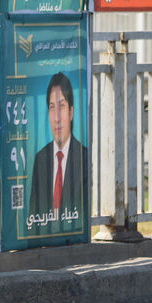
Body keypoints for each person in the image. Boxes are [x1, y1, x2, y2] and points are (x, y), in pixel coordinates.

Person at [27, 73, 87, 226]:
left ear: (71, 112)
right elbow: (32, 217)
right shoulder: (40, 158)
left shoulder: (84, 157)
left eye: (62, 106)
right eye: (52, 107)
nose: (57, 118)